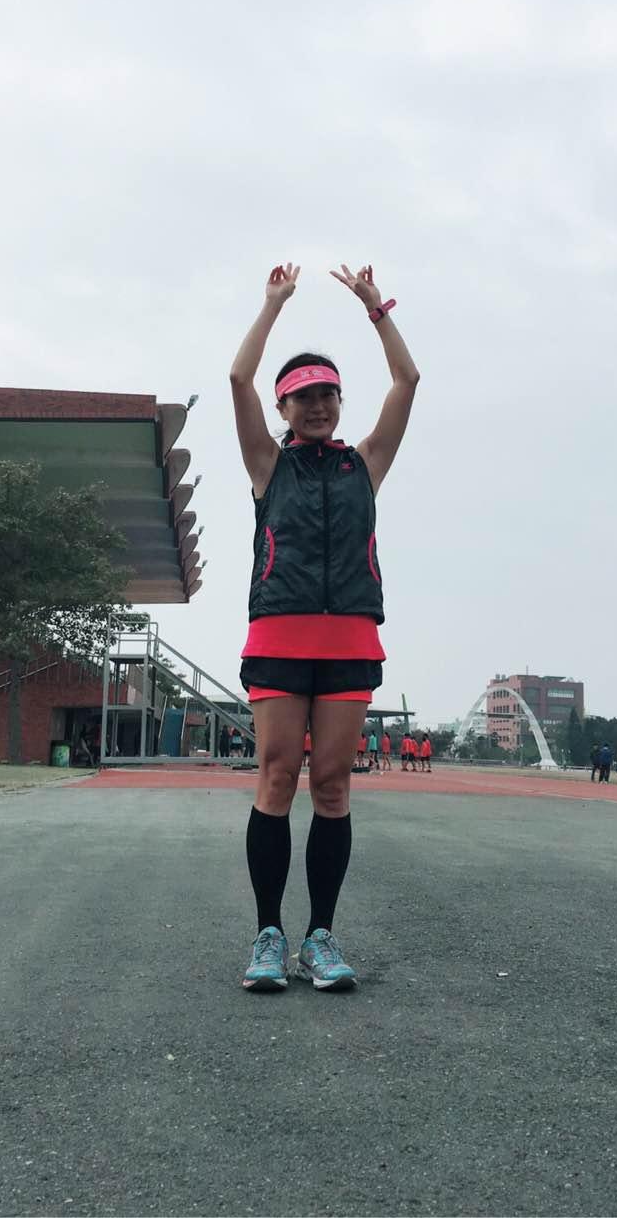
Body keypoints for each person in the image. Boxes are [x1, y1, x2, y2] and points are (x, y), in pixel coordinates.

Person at [230, 262, 419, 991]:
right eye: (303, 396)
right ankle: (268, 936)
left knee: (333, 786)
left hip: (349, 643)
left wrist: (377, 309)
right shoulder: (267, 466)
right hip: (280, 637)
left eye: (327, 394)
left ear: (340, 402)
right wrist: (272, 304)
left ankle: (320, 938)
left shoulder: (364, 465)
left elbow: (407, 381)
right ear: (284, 407)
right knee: (278, 776)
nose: (317, 405)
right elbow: (238, 379)